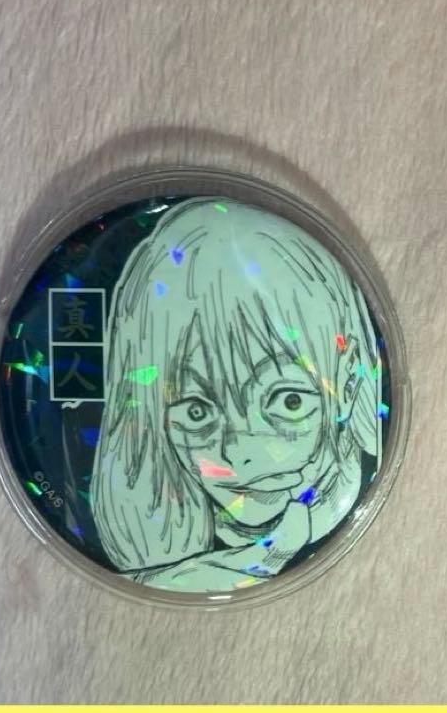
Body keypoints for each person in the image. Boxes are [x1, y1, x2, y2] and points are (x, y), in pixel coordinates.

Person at [90, 198, 381, 591]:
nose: (241, 451)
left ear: (347, 381)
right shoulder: (165, 556)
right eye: (197, 412)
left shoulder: (366, 507)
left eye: (288, 401)